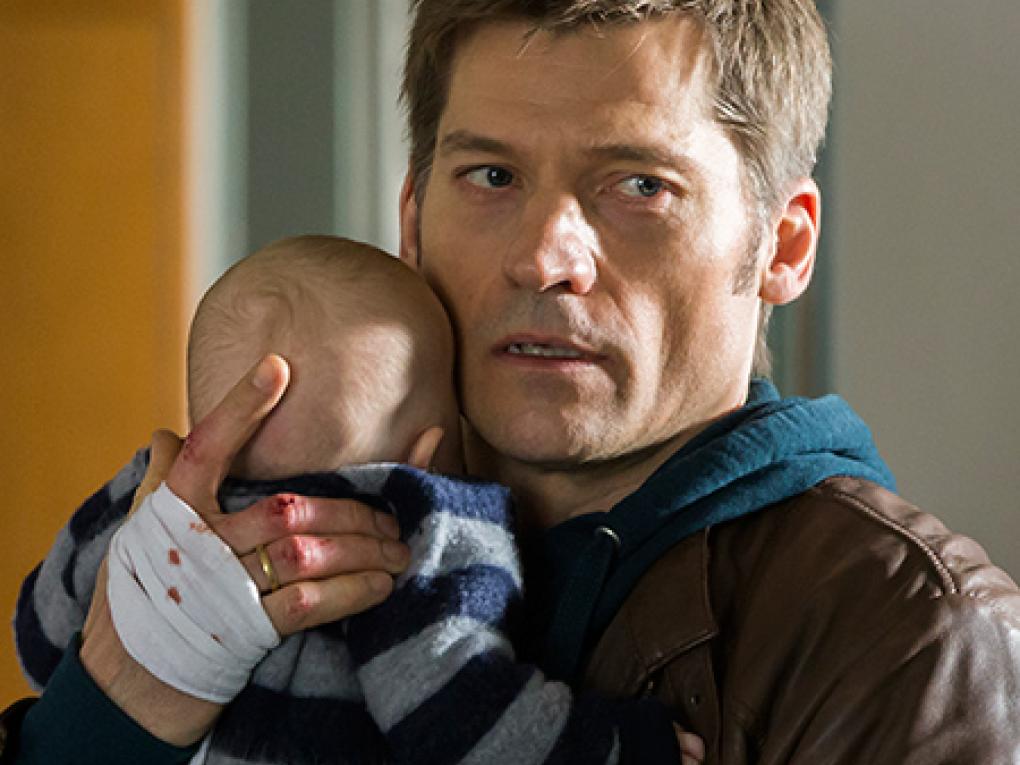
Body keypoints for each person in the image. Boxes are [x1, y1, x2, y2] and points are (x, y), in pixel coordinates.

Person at [3, 1, 1019, 763]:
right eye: (491, 176)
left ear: (783, 246)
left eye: (640, 186)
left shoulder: (919, 640)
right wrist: (119, 702)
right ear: (412, 221)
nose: (543, 257)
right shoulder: (249, 526)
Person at [12, 234, 699, 763]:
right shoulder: (418, 527)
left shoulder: (154, 507)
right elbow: (465, 717)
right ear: (430, 453)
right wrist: (620, 746)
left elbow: (38, 638)